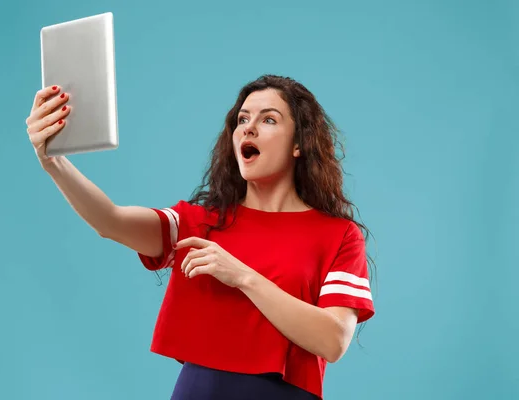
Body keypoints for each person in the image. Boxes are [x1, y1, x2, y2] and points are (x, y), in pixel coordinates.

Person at [25, 75, 375, 400]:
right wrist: (53, 162)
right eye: (242, 119)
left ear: (299, 143)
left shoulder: (338, 235)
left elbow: (332, 340)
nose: (248, 127)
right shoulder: (198, 223)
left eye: (268, 119)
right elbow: (110, 220)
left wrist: (242, 276)